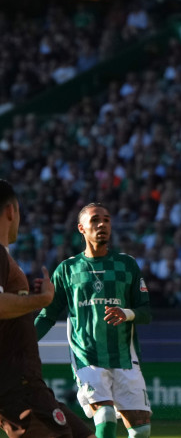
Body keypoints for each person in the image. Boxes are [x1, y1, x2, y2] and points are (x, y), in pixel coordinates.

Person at [34, 203, 152, 438]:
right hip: (87, 358)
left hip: (125, 358)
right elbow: (47, 315)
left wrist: (126, 313)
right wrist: (23, 341)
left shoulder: (126, 265)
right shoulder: (67, 270)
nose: (102, 225)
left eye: (107, 220)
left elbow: (146, 312)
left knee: (141, 431)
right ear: (81, 228)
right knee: (105, 416)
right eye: (96, 220)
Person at [0, 180, 95, 438]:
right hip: (19, 389)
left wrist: (28, 297)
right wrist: (40, 301)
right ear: (11, 211)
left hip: (29, 387)